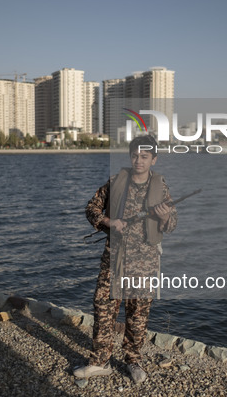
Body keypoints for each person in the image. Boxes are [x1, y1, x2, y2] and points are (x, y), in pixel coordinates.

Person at [74, 135, 177, 384]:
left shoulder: (161, 187)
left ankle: (133, 360)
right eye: (135, 155)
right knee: (103, 308)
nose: (139, 161)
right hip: (114, 260)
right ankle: (100, 362)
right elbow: (91, 209)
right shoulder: (115, 182)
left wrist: (163, 218)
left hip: (145, 262)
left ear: (153, 159)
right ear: (130, 156)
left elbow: (172, 224)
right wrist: (109, 222)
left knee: (138, 314)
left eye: (144, 156)